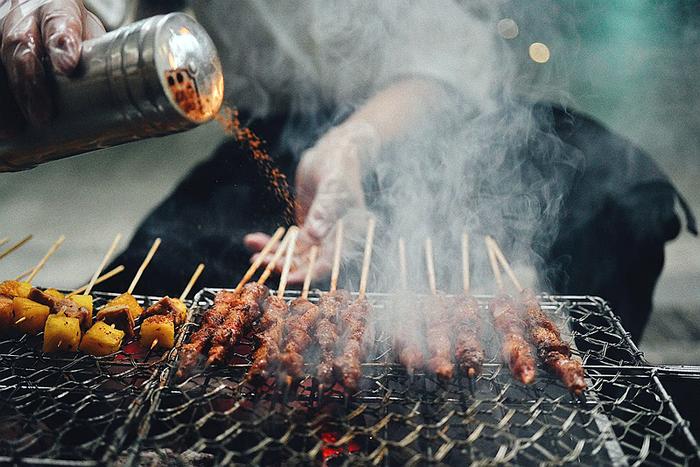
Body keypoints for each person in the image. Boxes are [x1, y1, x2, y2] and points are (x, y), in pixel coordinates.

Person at [0, 0, 695, 343]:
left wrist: (356, 143)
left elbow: (460, 50)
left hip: (456, 116)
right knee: (153, 294)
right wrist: (68, 13)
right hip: (280, 134)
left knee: (618, 205)